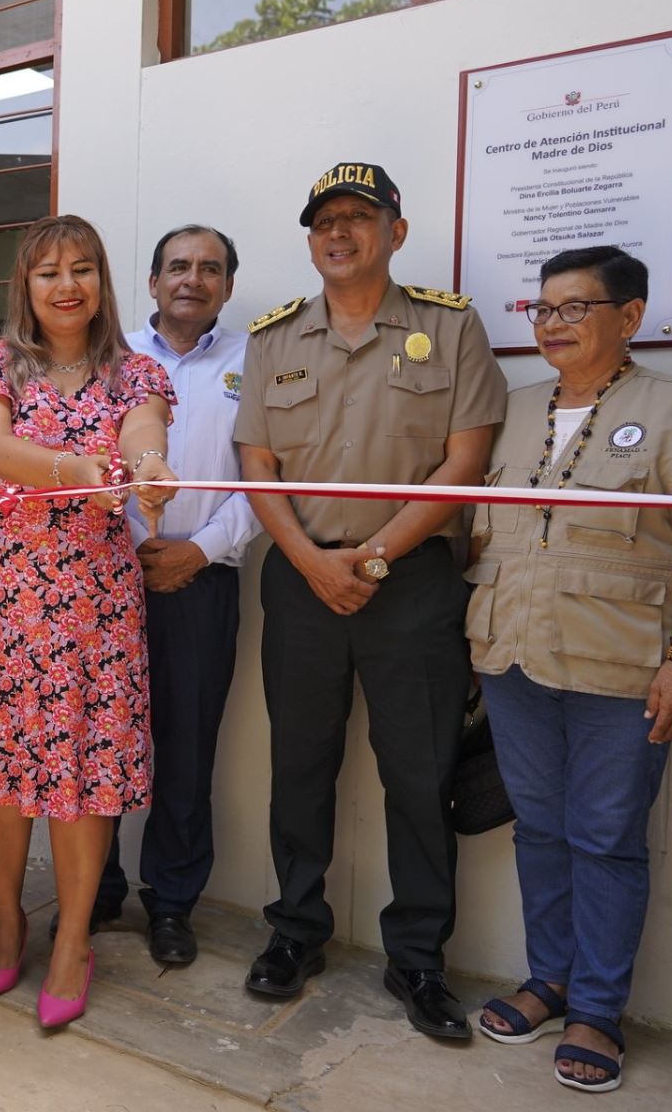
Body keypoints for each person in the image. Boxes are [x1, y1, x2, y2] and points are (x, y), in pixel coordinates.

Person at [233, 162, 506, 1038]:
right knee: (300, 763)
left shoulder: (450, 327)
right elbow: (256, 467)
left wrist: (374, 556)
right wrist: (313, 560)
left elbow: (466, 464)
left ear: (397, 230)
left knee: (418, 774)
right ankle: (296, 930)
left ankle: (418, 959)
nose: (339, 232)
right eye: (325, 221)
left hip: (413, 583)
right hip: (301, 574)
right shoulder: (274, 336)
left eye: (359, 216)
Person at [467, 246, 672, 1093]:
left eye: (574, 308)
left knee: (608, 837)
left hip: (623, 668)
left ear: (631, 314)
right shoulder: (512, 410)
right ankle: (549, 979)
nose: (552, 324)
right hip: (513, 655)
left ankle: (597, 1009)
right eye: (542, 309)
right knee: (540, 828)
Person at [0, 213, 178, 1029]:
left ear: (103, 283)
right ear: (24, 287)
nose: (67, 285)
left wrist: (148, 470)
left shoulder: (135, 373)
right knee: (3, 768)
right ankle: (8, 917)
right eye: (49, 272)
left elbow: (145, 438)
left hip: (94, 603)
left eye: (82, 269)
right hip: (1, 594)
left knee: (86, 773)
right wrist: (75, 468)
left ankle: (74, 938)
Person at [85, 224, 258, 965]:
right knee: (97, 737)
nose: (193, 278)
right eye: (178, 266)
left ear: (226, 284)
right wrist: (127, 550)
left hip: (203, 578)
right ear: (152, 282)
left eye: (209, 268)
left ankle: (172, 901)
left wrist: (199, 549)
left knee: (186, 749)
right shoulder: (107, 357)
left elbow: (265, 482)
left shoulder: (256, 363)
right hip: (101, 578)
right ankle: (95, 886)